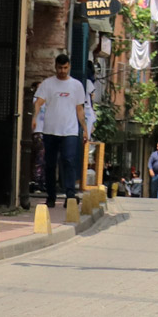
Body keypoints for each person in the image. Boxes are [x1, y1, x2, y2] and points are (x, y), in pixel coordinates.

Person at [32, 54, 89, 210]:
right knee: (50, 164)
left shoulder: (76, 86)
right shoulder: (47, 84)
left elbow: (80, 109)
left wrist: (84, 129)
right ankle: (51, 197)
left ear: (69, 66)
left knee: (69, 162)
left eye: (65, 68)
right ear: (55, 67)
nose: (62, 71)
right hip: (50, 130)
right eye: (59, 68)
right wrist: (35, 117)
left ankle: (70, 195)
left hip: (69, 131)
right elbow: (38, 102)